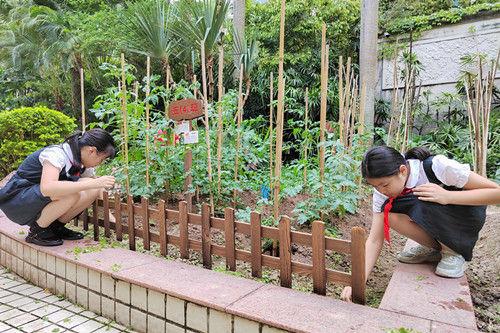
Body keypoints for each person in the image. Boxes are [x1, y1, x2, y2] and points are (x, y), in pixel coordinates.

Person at [341, 146, 500, 302]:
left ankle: (453, 252)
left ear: (403, 171)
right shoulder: (381, 191)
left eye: (384, 185)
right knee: (389, 216)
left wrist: (447, 196)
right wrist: (357, 281)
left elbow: (496, 193)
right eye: (375, 186)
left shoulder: (437, 166)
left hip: (464, 218)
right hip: (437, 215)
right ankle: (438, 247)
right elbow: (375, 239)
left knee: (422, 197)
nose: (381, 191)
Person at [0, 129, 116, 246]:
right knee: (71, 192)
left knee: (91, 189)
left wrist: (111, 218)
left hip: (33, 199)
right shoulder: (57, 154)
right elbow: (48, 188)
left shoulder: (80, 161)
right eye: (101, 159)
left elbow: (95, 186)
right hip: (16, 201)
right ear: (92, 151)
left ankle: (55, 228)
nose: (100, 163)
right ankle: (37, 232)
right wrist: (93, 183)